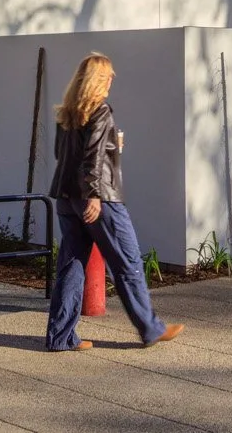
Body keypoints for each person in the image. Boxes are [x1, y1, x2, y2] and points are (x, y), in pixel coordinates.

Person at [44, 53, 182, 353]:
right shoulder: (101, 110)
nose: (112, 78)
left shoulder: (66, 113)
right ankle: (151, 328)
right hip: (100, 200)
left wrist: (112, 147)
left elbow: (64, 155)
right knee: (128, 262)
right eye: (108, 75)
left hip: (66, 200)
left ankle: (60, 337)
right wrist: (94, 194)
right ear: (96, 80)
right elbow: (92, 156)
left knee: (71, 267)